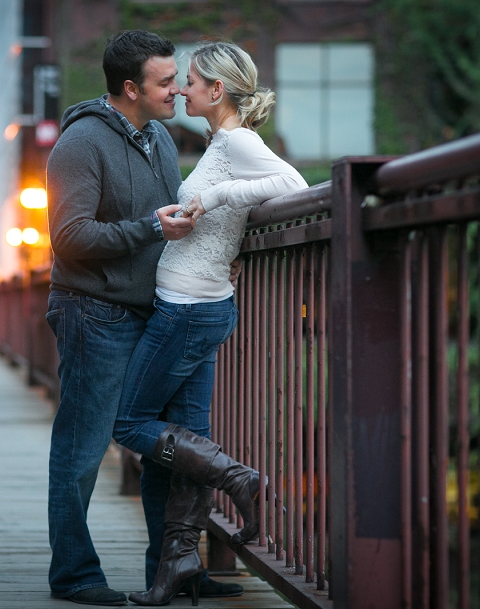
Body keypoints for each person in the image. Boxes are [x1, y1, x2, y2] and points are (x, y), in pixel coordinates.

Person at [45, 30, 242, 607]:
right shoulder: (80, 144)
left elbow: (182, 215)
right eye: (165, 81)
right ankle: (74, 575)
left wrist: (215, 254)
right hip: (93, 312)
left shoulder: (157, 136)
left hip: (155, 312)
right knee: (82, 449)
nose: (178, 90)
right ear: (130, 88)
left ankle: (174, 568)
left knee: (167, 445)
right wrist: (152, 228)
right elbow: (71, 239)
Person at [112, 41, 308, 606]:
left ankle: (239, 479)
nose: (180, 89)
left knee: (129, 425)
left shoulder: (239, 142)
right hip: (203, 306)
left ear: (217, 91)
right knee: (187, 441)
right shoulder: (221, 142)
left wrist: (219, 196)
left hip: (187, 310)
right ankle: (179, 566)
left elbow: (293, 186)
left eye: (190, 81)